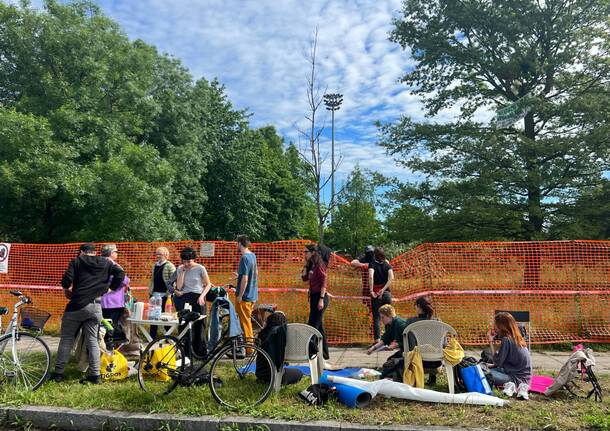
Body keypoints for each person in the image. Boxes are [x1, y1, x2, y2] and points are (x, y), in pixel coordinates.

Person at [51, 243, 125, 384]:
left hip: (76, 306)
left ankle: (58, 373)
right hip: (95, 306)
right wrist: (109, 289)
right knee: (92, 341)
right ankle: (95, 375)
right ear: (94, 252)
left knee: (67, 339)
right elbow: (120, 273)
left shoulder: (77, 261)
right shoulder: (105, 262)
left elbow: (66, 281)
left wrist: (67, 289)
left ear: (81, 252)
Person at [168, 246, 211, 357]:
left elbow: (208, 284)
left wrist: (202, 296)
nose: (186, 263)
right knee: (184, 324)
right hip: (184, 298)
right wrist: (182, 272)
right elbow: (179, 286)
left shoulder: (200, 268)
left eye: (189, 261)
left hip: (198, 297)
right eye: (184, 261)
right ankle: (185, 352)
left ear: (194, 259)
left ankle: (200, 352)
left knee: (199, 324)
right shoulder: (180, 268)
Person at [486, 312, 532, 399]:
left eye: (495, 324)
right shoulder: (517, 337)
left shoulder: (506, 340)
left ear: (501, 326)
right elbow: (506, 359)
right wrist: (493, 365)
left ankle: (512, 385)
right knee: (486, 367)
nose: (494, 326)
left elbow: (498, 361)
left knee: (482, 372)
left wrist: (491, 341)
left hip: (516, 378)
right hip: (525, 377)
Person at [255, 311, 303, 386]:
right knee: (299, 372)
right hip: (274, 375)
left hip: (260, 374)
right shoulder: (282, 335)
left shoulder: (262, 334)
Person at [301, 244, 330, 362]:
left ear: (313, 252)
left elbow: (324, 283)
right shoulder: (311, 265)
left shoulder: (319, 266)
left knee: (312, 326)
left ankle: (310, 352)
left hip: (320, 297)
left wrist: (321, 299)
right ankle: (325, 354)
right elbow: (304, 278)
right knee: (320, 328)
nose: (304, 254)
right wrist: (305, 266)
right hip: (313, 297)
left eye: (306, 252)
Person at [366, 304, 407, 380]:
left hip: (411, 352)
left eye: (383, 317)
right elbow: (385, 339)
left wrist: (397, 345)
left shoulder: (401, 324)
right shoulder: (389, 325)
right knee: (389, 361)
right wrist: (373, 348)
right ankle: (391, 378)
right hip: (403, 351)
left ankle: (394, 379)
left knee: (391, 363)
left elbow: (410, 341)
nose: (381, 320)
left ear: (390, 315)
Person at [233, 235, 258, 353]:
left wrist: (240, 295)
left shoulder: (244, 258)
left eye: (236, 243)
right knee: (246, 321)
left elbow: (246, 279)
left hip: (245, 296)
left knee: (245, 322)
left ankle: (249, 349)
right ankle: (248, 346)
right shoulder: (252, 256)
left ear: (240, 243)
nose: (235, 245)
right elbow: (254, 273)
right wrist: (239, 276)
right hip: (252, 295)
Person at [100, 244, 130, 332]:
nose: (117, 253)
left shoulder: (97, 263)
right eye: (116, 251)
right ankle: (110, 345)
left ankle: (102, 344)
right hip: (113, 301)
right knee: (111, 327)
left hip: (100, 300)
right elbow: (124, 281)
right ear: (111, 253)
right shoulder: (114, 265)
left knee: (101, 327)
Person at [148, 246, 176, 339]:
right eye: (157, 254)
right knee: (153, 317)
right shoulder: (154, 265)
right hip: (154, 295)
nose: (158, 256)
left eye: (160, 254)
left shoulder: (170, 266)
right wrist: (150, 291)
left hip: (166, 295)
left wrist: (170, 294)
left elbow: (173, 281)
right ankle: (151, 338)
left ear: (166, 255)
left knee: (165, 317)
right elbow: (152, 280)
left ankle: (168, 338)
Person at [368, 247, 394, 343]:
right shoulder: (387, 265)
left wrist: (371, 290)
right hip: (386, 293)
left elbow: (371, 277)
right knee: (389, 316)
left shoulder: (372, 264)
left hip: (375, 294)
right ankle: (389, 339)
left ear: (374, 255)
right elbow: (391, 278)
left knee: (376, 317)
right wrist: (383, 290)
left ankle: (377, 340)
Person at [351, 245, 376, 334]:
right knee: (368, 309)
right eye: (368, 252)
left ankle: (375, 329)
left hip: (377, 288)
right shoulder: (364, 259)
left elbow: (387, 262)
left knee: (376, 310)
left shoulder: (377, 259)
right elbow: (353, 262)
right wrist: (364, 265)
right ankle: (370, 328)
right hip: (366, 289)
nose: (370, 254)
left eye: (371, 252)